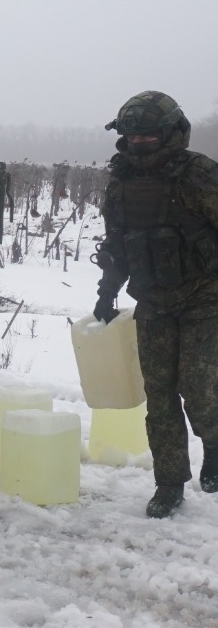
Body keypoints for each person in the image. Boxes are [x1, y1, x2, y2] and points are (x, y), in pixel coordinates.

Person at [93, 91, 218, 518]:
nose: (140, 143)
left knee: (199, 390)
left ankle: (214, 442)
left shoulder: (199, 174)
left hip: (205, 296)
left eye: (148, 135)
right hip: (152, 300)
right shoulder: (121, 180)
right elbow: (117, 243)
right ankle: (168, 483)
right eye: (133, 136)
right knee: (159, 395)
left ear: (169, 132)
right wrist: (107, 290)